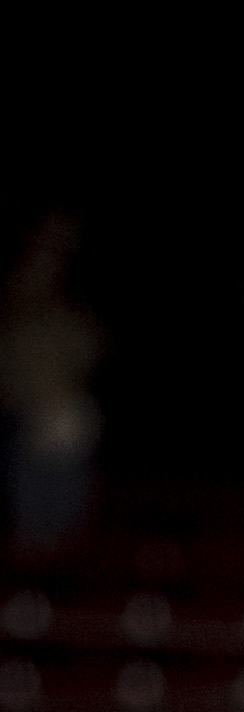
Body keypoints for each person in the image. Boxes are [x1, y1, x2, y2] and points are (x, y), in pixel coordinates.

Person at [2, 212, 105, 558]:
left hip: (64, 417)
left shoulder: (75, 298)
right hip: (28, 420)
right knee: (31, 530)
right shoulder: (19, 296)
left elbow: (92, 348)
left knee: (61, 531)